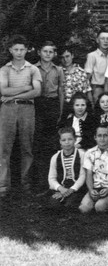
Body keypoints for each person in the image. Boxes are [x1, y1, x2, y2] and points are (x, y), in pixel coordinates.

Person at [0, 35, 42, 199]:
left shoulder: (33, 69)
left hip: (27, 109)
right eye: (15, 49)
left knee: (27, 146)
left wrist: (13, 94)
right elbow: (3, 91)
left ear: (27, 50)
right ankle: (3, 185)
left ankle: (26, 184)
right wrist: (25, 87)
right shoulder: (4, 70)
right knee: (4, 147)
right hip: (8, 109)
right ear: (10, 50)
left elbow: (36, 91)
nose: (19, 52)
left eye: (22, 49)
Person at [33, 41, 65, 190]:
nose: (47, 54)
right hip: (38, 104)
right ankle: (39, 181)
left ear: (54, 54)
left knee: (51, 143)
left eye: (50, 52)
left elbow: (60, 91)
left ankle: (52, 181)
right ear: (39, 52)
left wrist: (60, 111)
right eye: (45, 51)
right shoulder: (33, 68)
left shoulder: (58, 70)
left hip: (52, 105)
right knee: (37, 142)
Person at [79, 124, 108, 213]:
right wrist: (91, 190)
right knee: (84, 208)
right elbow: (89, 174)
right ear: (95, 137)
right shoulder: (89, 153)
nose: (102, 139)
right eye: (99, 136)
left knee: (100, 207)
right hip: (95, 188)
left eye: (105, 135)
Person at [46, 127, 87, 210]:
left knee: (70, 205)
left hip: (77, 188)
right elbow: (51, 178)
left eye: (70, 139)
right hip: (62, 188)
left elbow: (83, 176)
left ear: (75, 140)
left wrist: (71, 190)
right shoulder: (55, 157)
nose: (67, 142)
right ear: (60, 141)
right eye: (64, 140)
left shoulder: (82, 155)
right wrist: (61, 189)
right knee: (53, 205)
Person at [85, 28, 108, 106]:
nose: (105, 41)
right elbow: (87, 78)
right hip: (97, 89)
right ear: (97, 40)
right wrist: (89, 96)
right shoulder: (92, 56)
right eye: (102, 38)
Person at [59, 44, 92, 116]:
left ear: (72, 56)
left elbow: (88, 90)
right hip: (65, 106)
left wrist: (91, 108)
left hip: (80, 106)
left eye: (67, 56)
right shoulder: (58, 71)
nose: (65, 60)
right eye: (62, 57)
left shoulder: (81, 71)